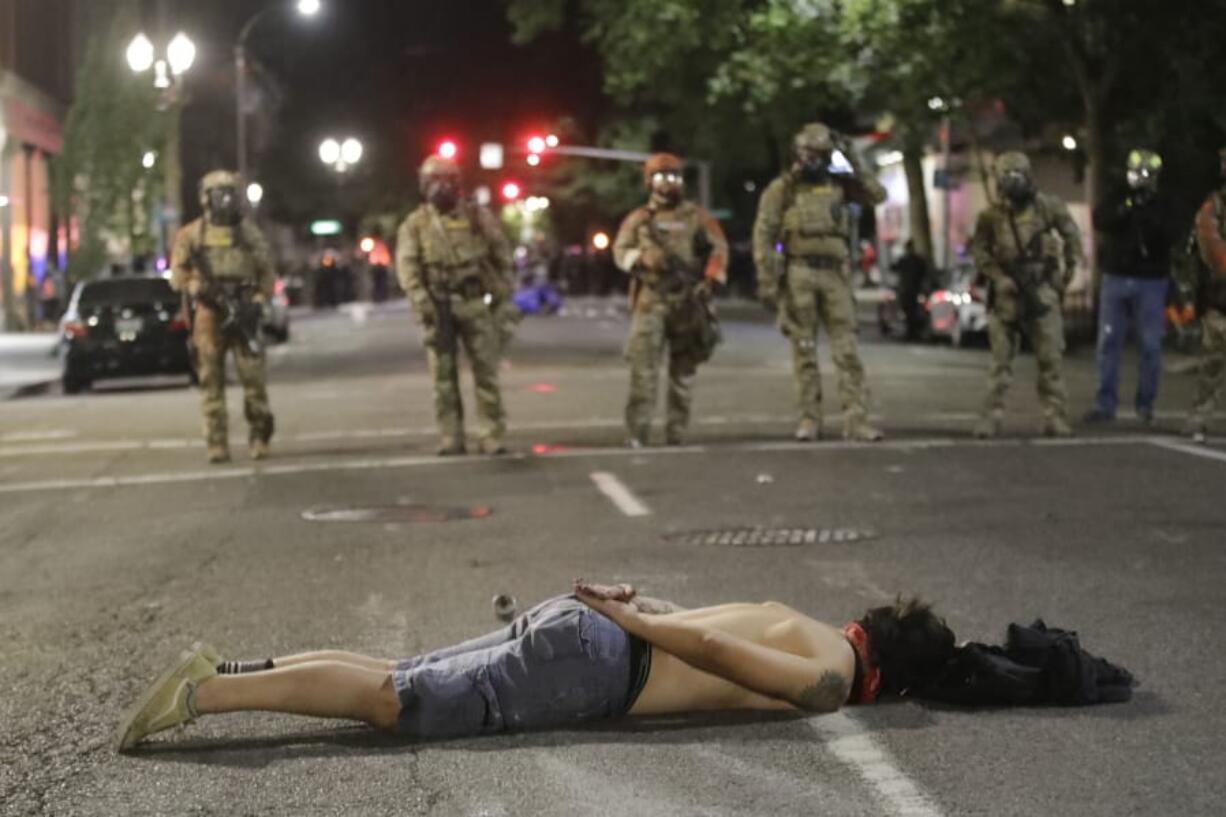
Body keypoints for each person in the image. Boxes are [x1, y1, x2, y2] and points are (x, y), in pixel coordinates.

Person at [113, 582, 955, 750]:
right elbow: (708, 649)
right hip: (599, 664)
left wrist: (629, 606)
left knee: (394, 672)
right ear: (887, 679)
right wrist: (631, 618)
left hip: (586, 628)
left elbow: (699, 620)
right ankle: (204, 693)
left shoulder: (799, 619)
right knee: (390, 701)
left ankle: (226, 666)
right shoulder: (833, 678)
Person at [753, 122, 887, 442]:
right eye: (805, 153)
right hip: (799, 273)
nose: (810, 160)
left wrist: (852, 155)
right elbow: (764, 233)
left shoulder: (842, 185)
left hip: (836, 275)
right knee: (805, 351)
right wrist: (767, 279)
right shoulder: (782, 190)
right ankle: (810, 419)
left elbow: (876, 194)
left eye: (818, 154)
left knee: (847, 351)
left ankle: (856, 419)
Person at [396, 154, 515, 456]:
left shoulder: (477, 217)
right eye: (433, 181)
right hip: (438, 305)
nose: (440, 187)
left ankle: (491, 434)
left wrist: (502, 292)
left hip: (474, 302)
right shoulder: (416, 224)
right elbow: (407, 268)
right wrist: (421, 301)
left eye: (446, 180)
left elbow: (501, 256)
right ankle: (451, 436)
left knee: (486, 372)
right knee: (443, 378)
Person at [613, 152, 729, 447]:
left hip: (687, 302)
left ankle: (676, 432)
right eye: (662, 177)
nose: (669, 183)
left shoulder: (697, 216)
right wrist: (642, 258)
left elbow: (719, 248)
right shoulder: (639, 219)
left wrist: (711, 278)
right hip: (651, 301)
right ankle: (637, 432)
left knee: (684, 373)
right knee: (643, 371)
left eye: (675, 177)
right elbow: (619, 251)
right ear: (650, 181)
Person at [971, 152, 1085, 439]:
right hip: (1007, 296)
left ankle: (1055, 417)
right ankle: (990, 418)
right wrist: (998, 278)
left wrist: (1067, 274)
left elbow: (1072, 236)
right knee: (1000, 364)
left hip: (1042, 291)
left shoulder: (1048, 207)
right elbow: (980, 251)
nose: (1012, 182)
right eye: (1006, 177)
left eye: (1017, 176)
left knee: (1051, 360)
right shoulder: (991, 216)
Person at [169, 170, 277, 464]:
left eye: (230, 193)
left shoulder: (248, 233)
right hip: (209, 314)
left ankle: (259, 436)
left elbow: (266, 270)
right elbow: (177, 272)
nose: (225, 200)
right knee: (210, 379)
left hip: (244, 311)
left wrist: (258, 298)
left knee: (253, 379)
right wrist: (193, 285)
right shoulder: (192, 235)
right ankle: (217, 442)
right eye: (219, 194)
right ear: (206, 198)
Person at [1085, 150, 1175, 426]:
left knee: (1150, 345)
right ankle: (1105, 404)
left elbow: (1172, 234)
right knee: (1108, 342)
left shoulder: (1162, 202)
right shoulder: (1118, 193)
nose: (1143, 178)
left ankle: (1145, 405)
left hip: (1151, 280)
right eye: (1139, 172)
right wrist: (1127, 207)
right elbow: (1100, 219)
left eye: (1149, 173)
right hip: (1116, 277)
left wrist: (1149, 215)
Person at [1183, 146, 1226, 442]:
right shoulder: (1214, 207)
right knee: (1212, 363)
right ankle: (1199, 418)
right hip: (1221, 299)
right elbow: (1212, 251)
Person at [892, 240, 930, 341]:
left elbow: (894, 268)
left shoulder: (906, 260)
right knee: (911, 311)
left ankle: (911, 332)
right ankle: (912, 332)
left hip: (907, 290)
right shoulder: (916, 260)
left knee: (909, 311)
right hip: (913, 290)